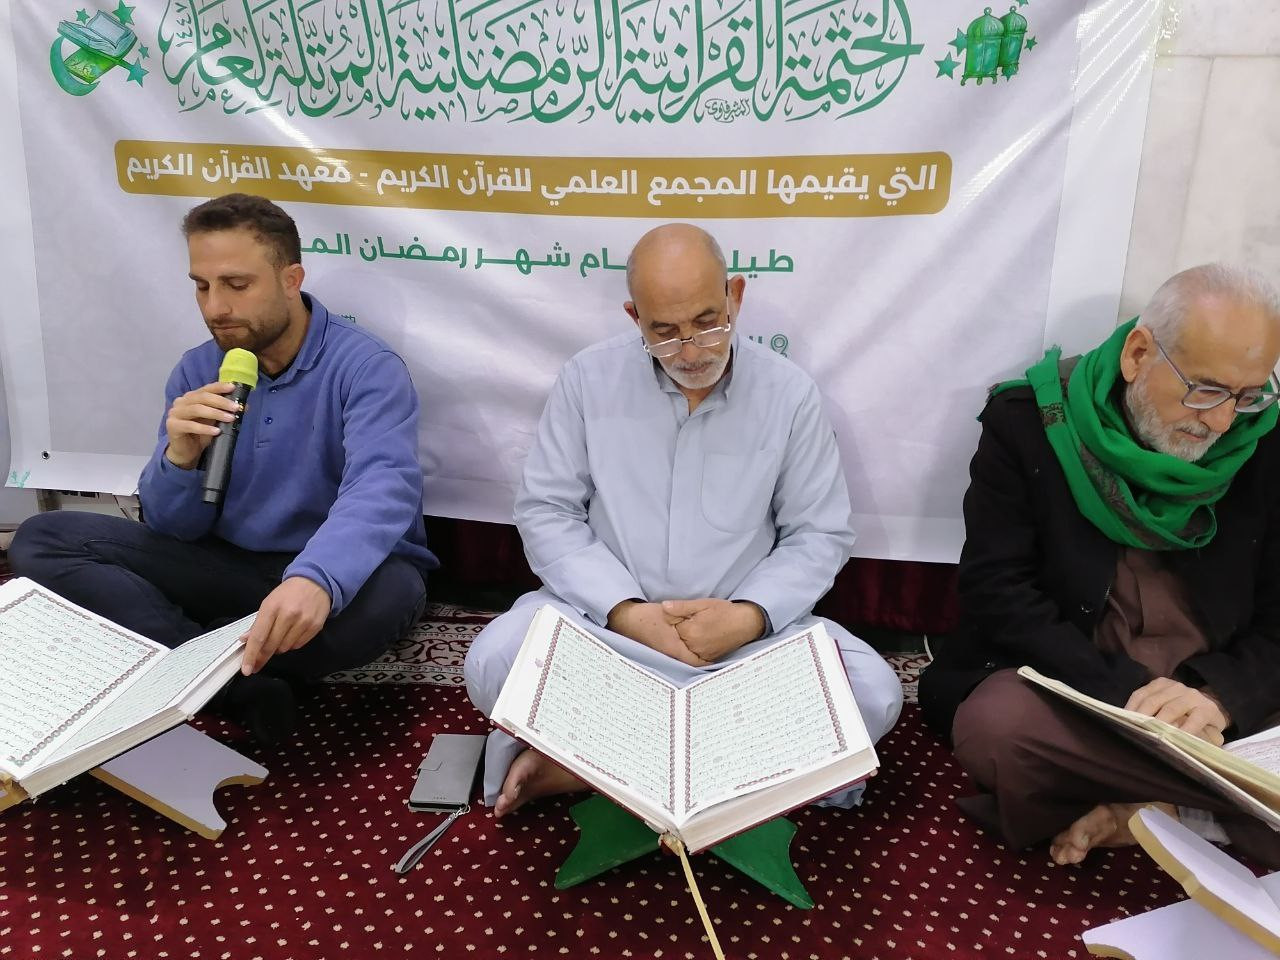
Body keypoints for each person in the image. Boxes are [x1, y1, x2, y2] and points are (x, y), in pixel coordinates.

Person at [464, 222, 902, 816]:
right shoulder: (588, 380)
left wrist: (748, 617)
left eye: (707, 322)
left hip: (740, 649)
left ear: (735, 296)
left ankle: (586, 768)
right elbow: (548, 510)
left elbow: (817, 533)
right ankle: (724, 772)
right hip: (612, 637)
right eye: (665, 333)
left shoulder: (789, 393)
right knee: (494, 661)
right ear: (634, 318)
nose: (691, 352)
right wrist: (625, 612)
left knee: (872, 694)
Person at [9, 193, 437, 742]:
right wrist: (179, 458)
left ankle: (186, 656)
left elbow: (380, 490)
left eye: (236, 285)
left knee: (392, 594)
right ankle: (231, 679)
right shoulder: (198, 369)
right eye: (202, 286)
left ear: (291, 279)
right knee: (43, 539)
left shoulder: (366, 368)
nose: (216, 308)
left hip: (330, 576)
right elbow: (173, 528)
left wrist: (316, 579)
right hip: (228, 568)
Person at [918, 264, 1280, 866]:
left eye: (1247, 397)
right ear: (1139, 354)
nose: (1221, 422)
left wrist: (1218, 696)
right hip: (1082, 684)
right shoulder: (1029, 422)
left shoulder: (1265, 442)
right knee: (997, 729)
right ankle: (1219, 807)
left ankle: (1157, 811)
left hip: (1210, 697)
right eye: (1206, 390)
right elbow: (999, 590)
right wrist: (1133, 698)